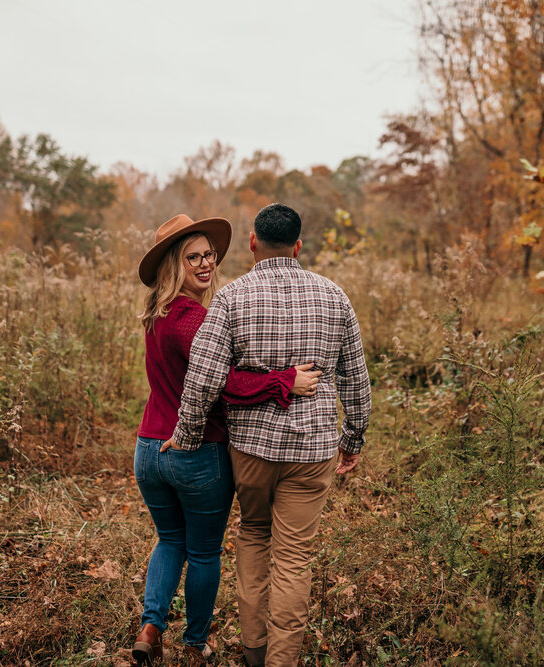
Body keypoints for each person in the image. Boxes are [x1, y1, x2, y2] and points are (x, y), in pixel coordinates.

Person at [165, 203, 372, 666]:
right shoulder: (334, 296)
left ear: (253, 243)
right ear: (299, 246)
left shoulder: (231, 298)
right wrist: (353, 438)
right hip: (313, 449)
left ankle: (254, 653)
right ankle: (282, 661)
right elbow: (356, 379)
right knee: (294, 557)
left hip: (251, 450)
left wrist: (190, 432)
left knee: (254, 535)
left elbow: (204, 376)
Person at [131, 213, 322, 666]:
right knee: (201, 551)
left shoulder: (157, 315)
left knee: (168, 540)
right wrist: (283, 380)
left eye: (208, 256)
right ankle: (195, 642)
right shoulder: (192, 318)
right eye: (192, 257)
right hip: (195, 452)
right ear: (173, 266)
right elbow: (223, 382)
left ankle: (150, 627)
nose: (205, 265)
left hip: (148, 450)